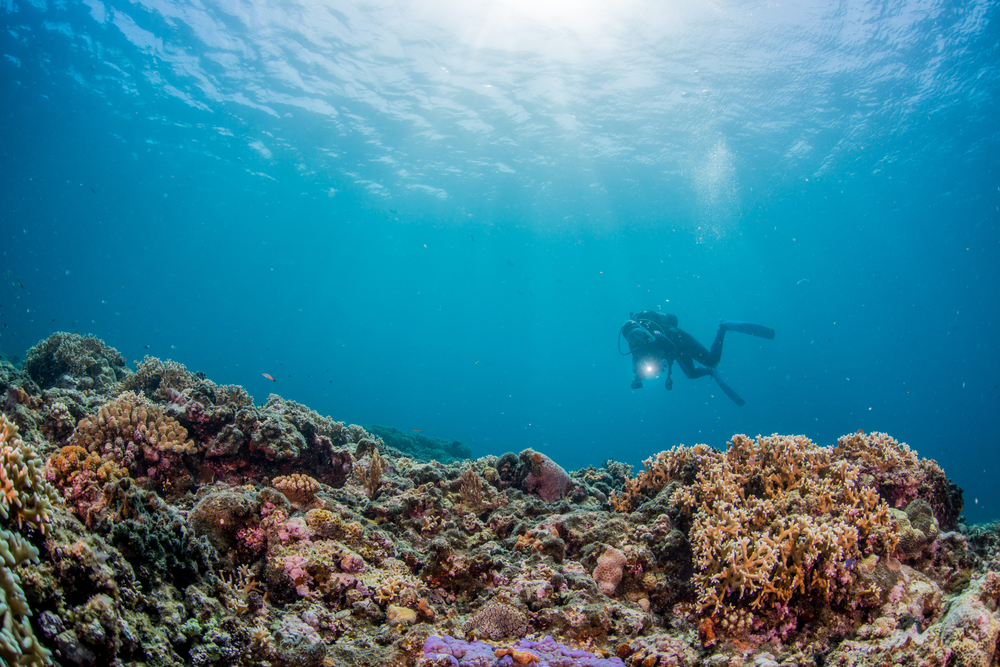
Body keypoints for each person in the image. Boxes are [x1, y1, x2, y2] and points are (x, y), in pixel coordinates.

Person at [619, 311, 775, 406]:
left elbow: (671, 348)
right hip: (676, 352)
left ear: (640, 329)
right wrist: (638, 378)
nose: (637, 339)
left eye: (637, 334)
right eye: (632, 338)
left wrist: (663, 361)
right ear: (628, 340)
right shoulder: (635, 347)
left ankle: (723, 327)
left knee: (713, 360)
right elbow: (636, 363)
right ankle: (710, 372)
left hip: (680, 340)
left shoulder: (654, 333)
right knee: (692, 375)